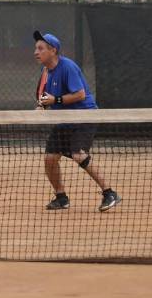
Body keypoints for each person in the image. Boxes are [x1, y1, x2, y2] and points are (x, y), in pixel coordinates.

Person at [33, 30, 121, 212]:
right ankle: (61, 198)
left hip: (84, 116)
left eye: (40, 48)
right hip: (64, 119)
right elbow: (46, 97)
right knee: (50, 159)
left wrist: (55, 101)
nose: (36, 52)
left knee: (78, 154)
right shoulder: (46, 72)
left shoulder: (68, 67)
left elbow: (80, 94)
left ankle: (109, 193)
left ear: (53, 51)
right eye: (36, 48)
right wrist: (42, 106)